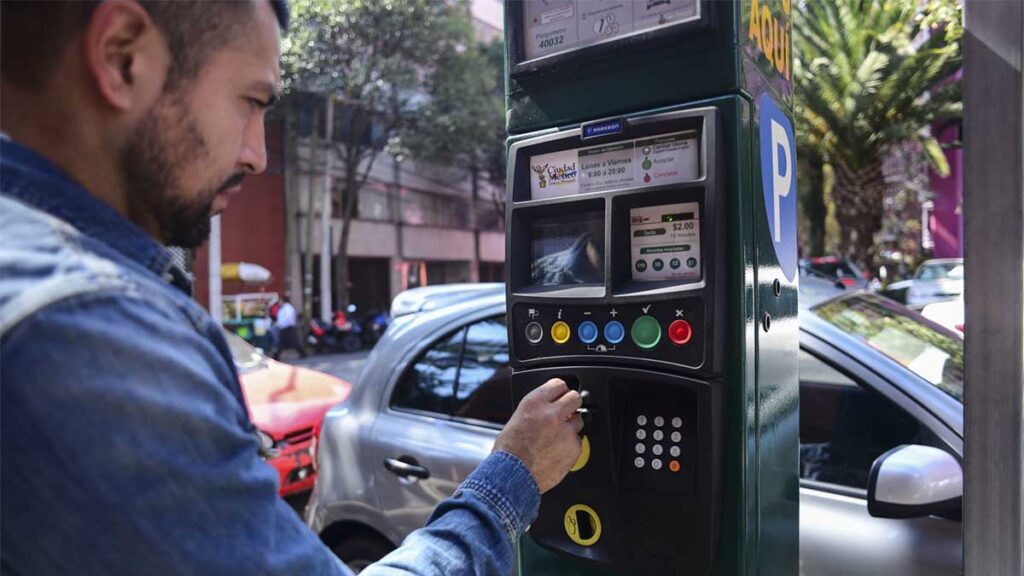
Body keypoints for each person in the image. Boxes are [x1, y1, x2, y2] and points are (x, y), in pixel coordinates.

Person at [0, 2, 583, 575]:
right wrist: (514, 475)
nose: (255, 155)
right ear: (122, 54)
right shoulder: (87, 328)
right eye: (251, 102)